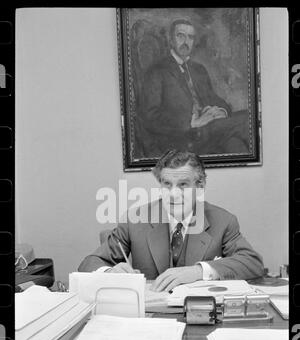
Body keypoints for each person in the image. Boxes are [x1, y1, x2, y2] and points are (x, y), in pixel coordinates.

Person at [78, 150, 264, 292]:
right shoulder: (134, 220)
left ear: (200, 186)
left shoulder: (223, 221)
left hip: (199, 317)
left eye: (183, 184)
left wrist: (198, 272)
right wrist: (110, 273)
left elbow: (252, 263)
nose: (174, 194)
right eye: (167, 184)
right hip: (148, 320)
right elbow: (89, 263)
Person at [138, 19, 249, 157]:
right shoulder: (157, 71)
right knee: (248, 120)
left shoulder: (198, 69)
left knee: (236, 144)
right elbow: (149, 117)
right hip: (183, 137)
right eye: (180, 35)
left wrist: (220, 111)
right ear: (171, 39)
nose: (186, 41)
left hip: (211, 129)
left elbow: (214, 98)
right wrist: (191, 122)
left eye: (190, 37)